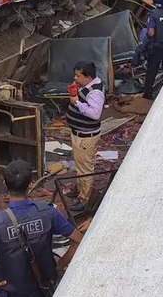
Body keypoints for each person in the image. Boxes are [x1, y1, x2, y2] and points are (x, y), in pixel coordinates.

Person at [0, 159, 83, 297]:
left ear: (5, 184)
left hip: (8, 292)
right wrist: (60, 265)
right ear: (30, 185)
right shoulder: (48, 212)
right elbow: (79, 239)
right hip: (43, 289)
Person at [65, 61, 105, 213]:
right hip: (79, 133)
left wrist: (77, 103)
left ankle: (84, 199)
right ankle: (80, 189)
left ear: (88, 77)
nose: (75, 78)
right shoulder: (88, 85)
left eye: (78, 76)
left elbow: (95, 114)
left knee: (85, 169)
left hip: (85, 137)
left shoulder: (95, 92)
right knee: (80, 165)